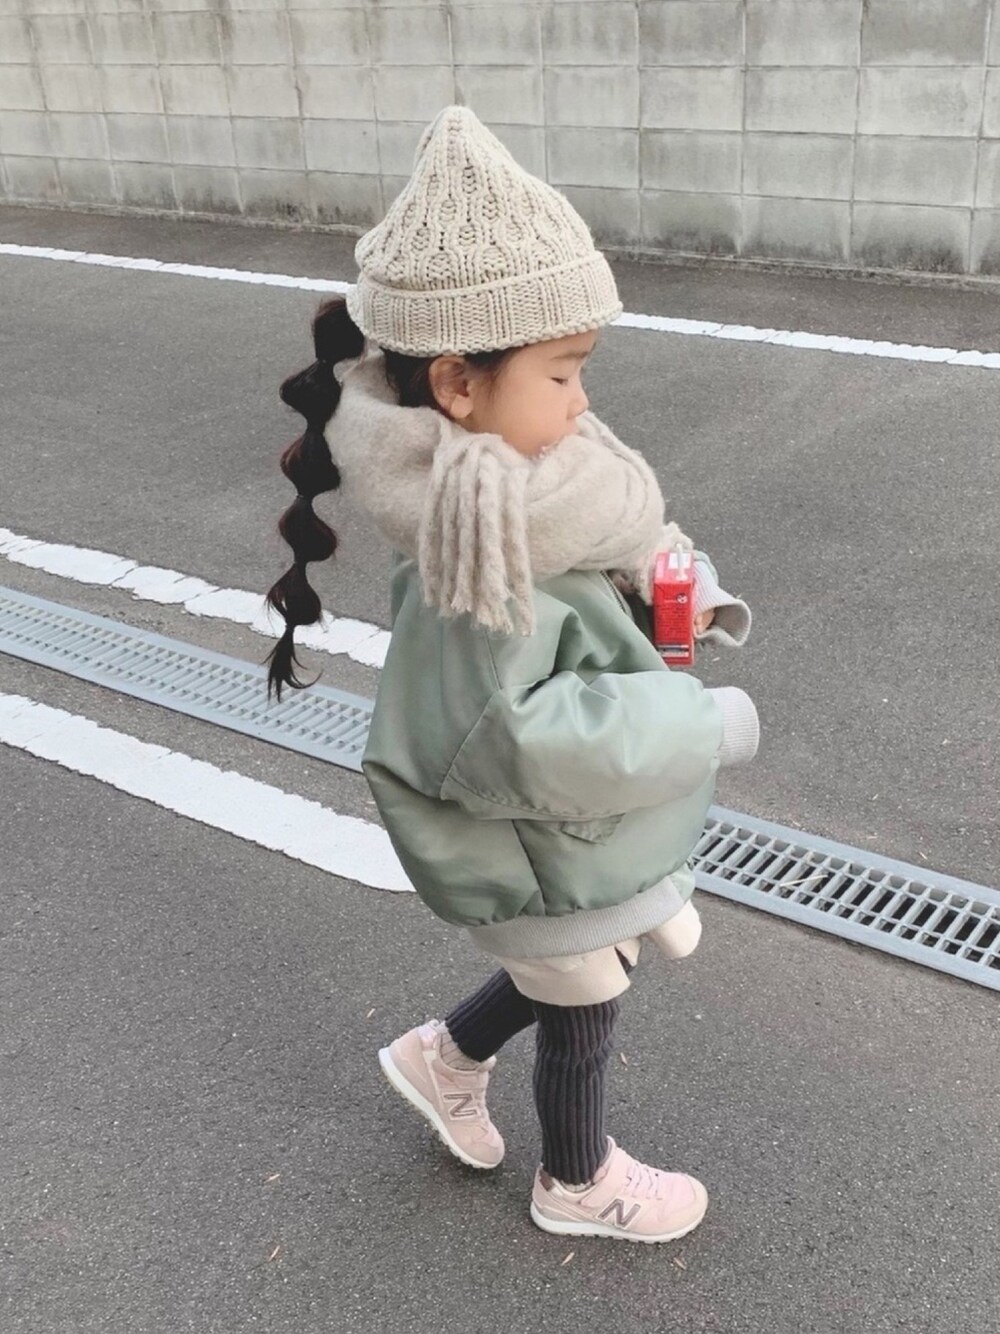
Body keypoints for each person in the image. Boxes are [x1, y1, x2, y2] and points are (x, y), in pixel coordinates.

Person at [264, 106, 759, 1244]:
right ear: (457, 382)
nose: (583, 402)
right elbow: (520, 738)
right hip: (531, 840)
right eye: (564, 372)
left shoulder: (529, 475)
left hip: (566, 834)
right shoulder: (476, 550)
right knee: (585, 998)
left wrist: (679, 583)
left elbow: (619, 538)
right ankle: (577, 1182)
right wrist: (703, 721)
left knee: (584, 962)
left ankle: (442, 1056)